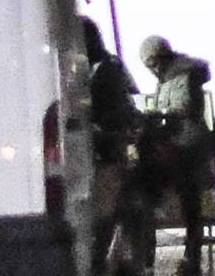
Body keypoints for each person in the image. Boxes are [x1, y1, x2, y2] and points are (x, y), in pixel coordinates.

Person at [137, 35, 215, 276]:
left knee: (189, 204)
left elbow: (183, 107)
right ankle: (160, 256)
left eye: (153, 64)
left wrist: (157, 113)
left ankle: (188, 258)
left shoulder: (182, 74)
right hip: (178, 147)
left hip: (186, 149)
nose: (152, 71)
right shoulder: (170, 75)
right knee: (185, 204)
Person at [81, 20, 144, 276]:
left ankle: (105, 262)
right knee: (111, 211)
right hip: (107, 149)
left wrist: (100, 128)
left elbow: (116, 111)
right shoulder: (106, 67)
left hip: (107, 150)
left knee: (108, 212)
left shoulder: (105, 70)